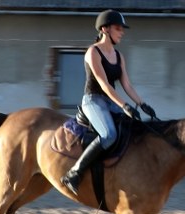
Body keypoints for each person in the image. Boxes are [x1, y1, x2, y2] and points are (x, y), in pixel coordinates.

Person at [61, 9, 157, 195]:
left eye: (122, 29)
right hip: (93, 100)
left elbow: (127, 84)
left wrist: (142, 104)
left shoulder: (119, 56)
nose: (122, 32)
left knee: (133, 128)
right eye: (118, 28)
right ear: (104, 29)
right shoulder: (93, 52)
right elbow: (104, 85)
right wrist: (124, 106)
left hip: (110, 101)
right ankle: (74, 173)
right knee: (109, 135)